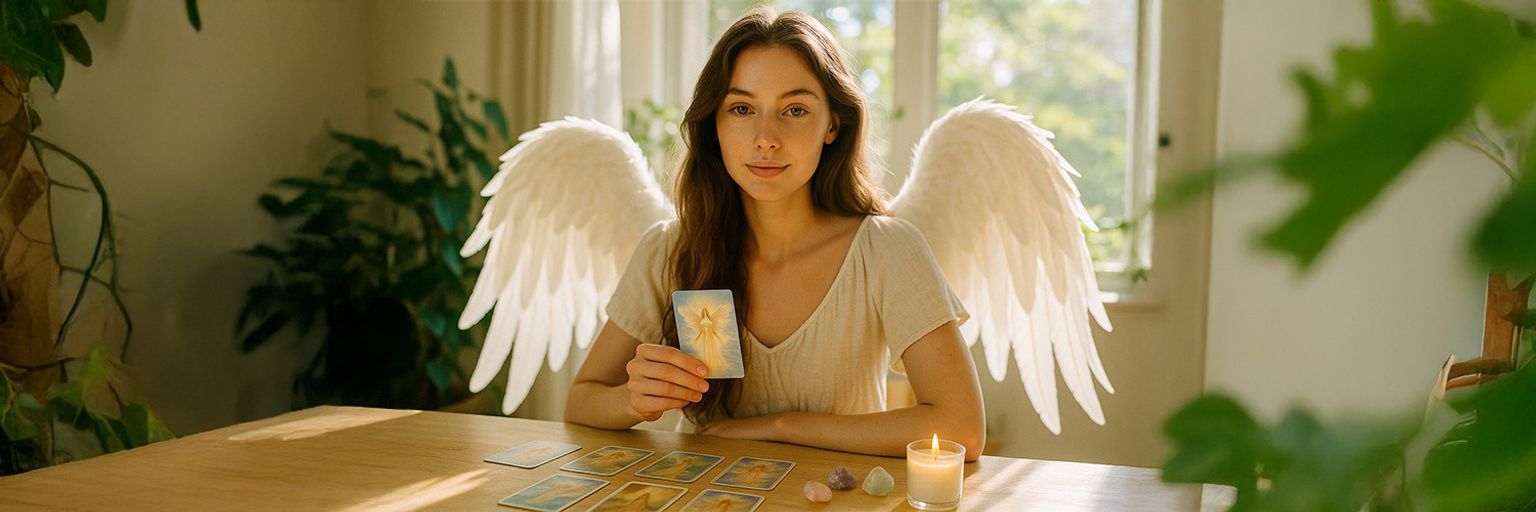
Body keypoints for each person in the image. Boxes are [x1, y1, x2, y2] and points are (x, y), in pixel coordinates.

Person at [564, 7, 984, 461]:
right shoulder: (669, 249)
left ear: (833, 125)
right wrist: (632, 400)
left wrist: (777, 428)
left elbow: (961, 428)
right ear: (714, 126)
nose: (766, 138)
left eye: (795, 110)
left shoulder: (887, 250)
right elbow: (581, 401)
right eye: (742, 109)